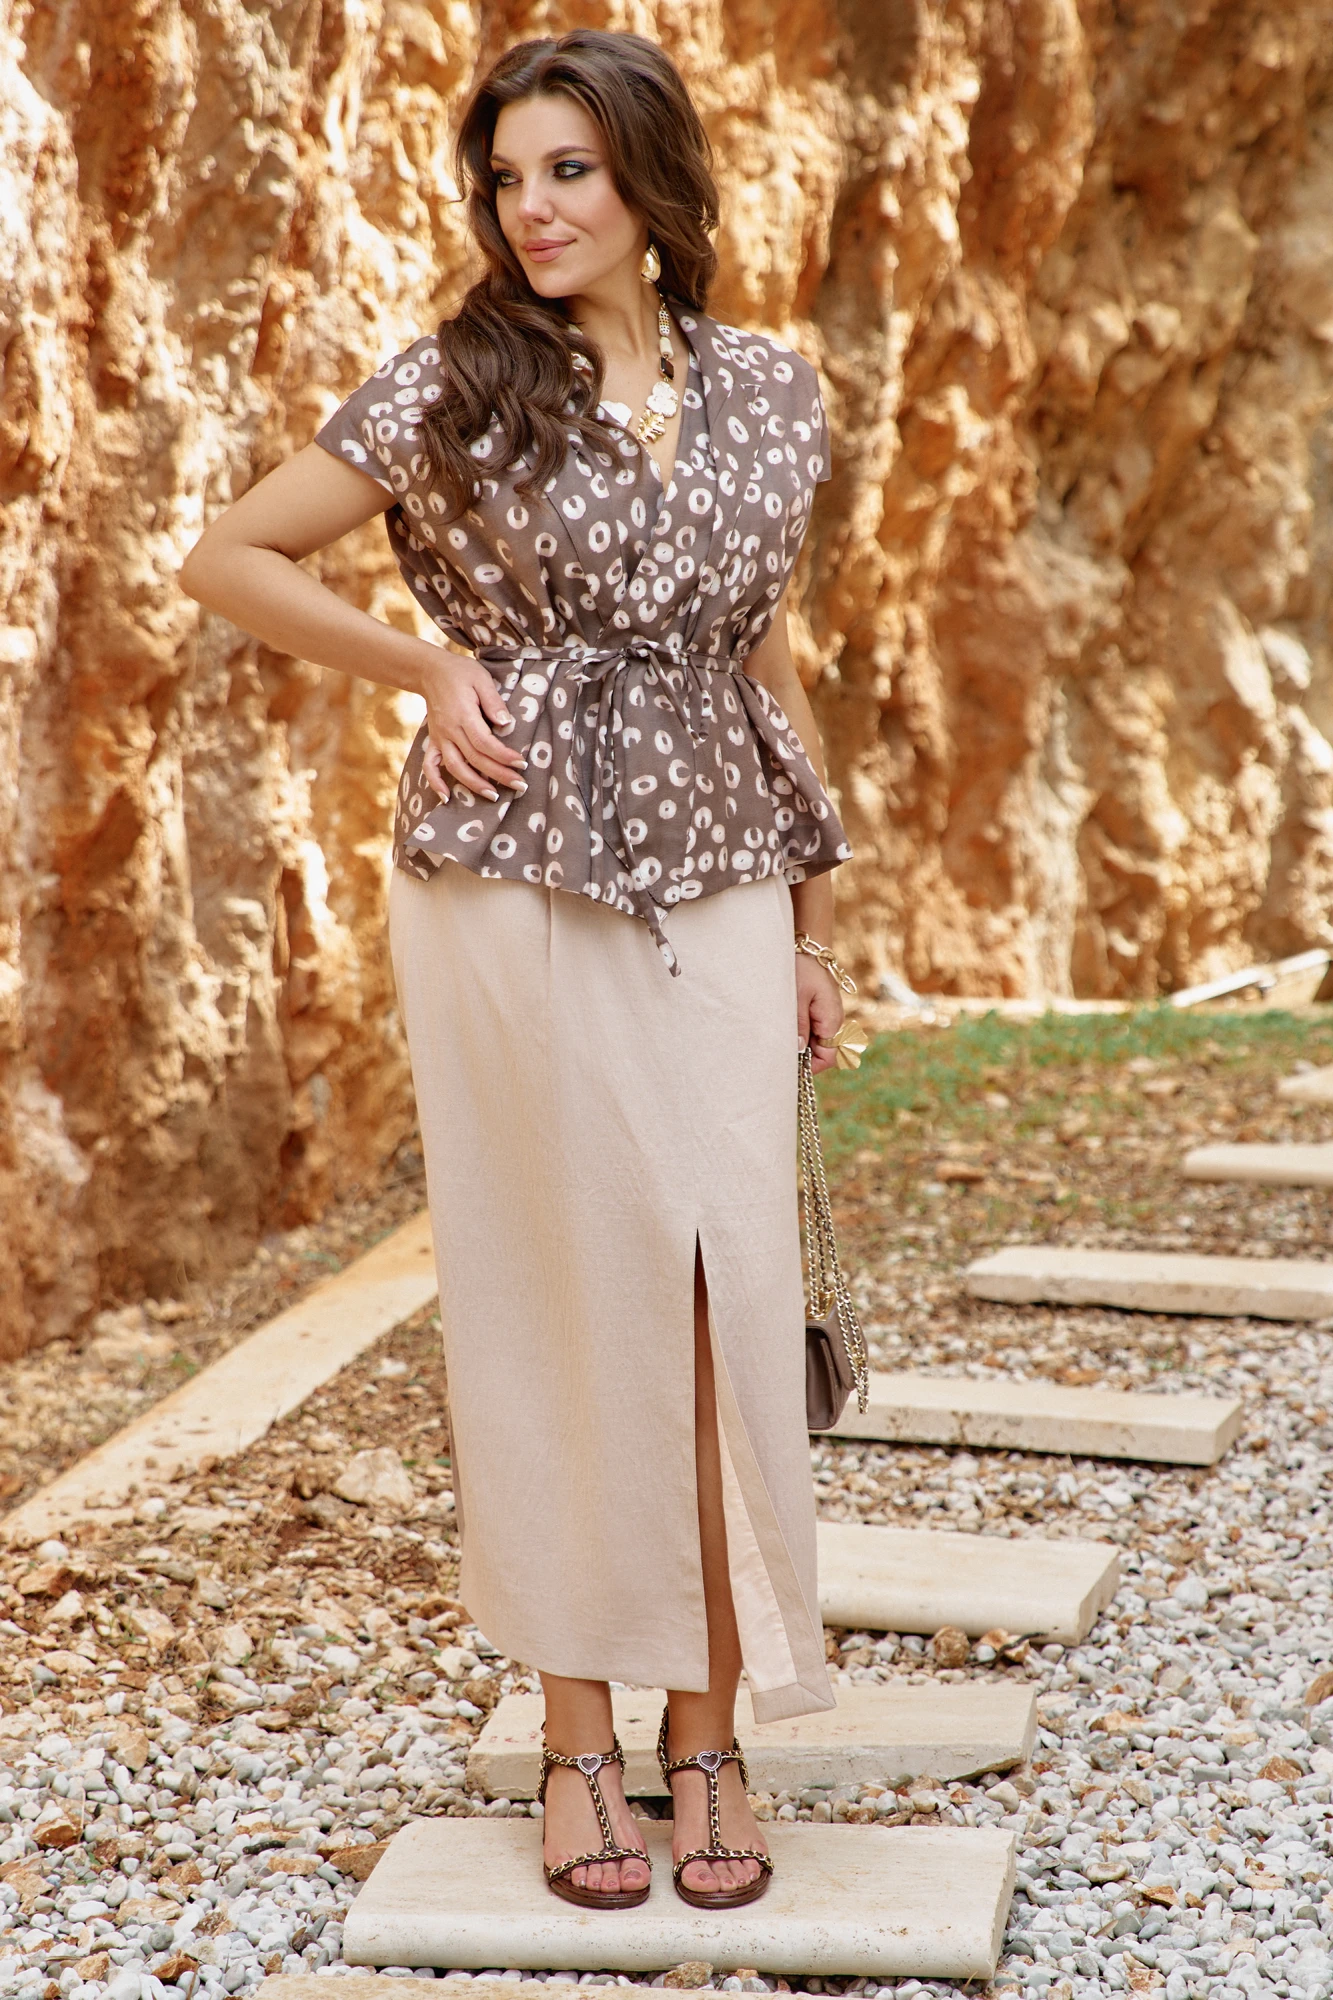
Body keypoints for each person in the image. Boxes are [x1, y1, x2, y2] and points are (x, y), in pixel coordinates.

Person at [181, 27, 853, 1916]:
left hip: (725, 873)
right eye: (505, 177)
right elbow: (228, 557)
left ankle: (706, 1736)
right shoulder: (453, 386)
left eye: (568, 169)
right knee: (559, 1292)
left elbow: (769, 659)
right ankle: (575, 1740)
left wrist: (817, 923)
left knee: (719, 1293)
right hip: (509, 876)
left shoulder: (771, 394)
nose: (532, 209)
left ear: (650, 177)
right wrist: (423, 666)